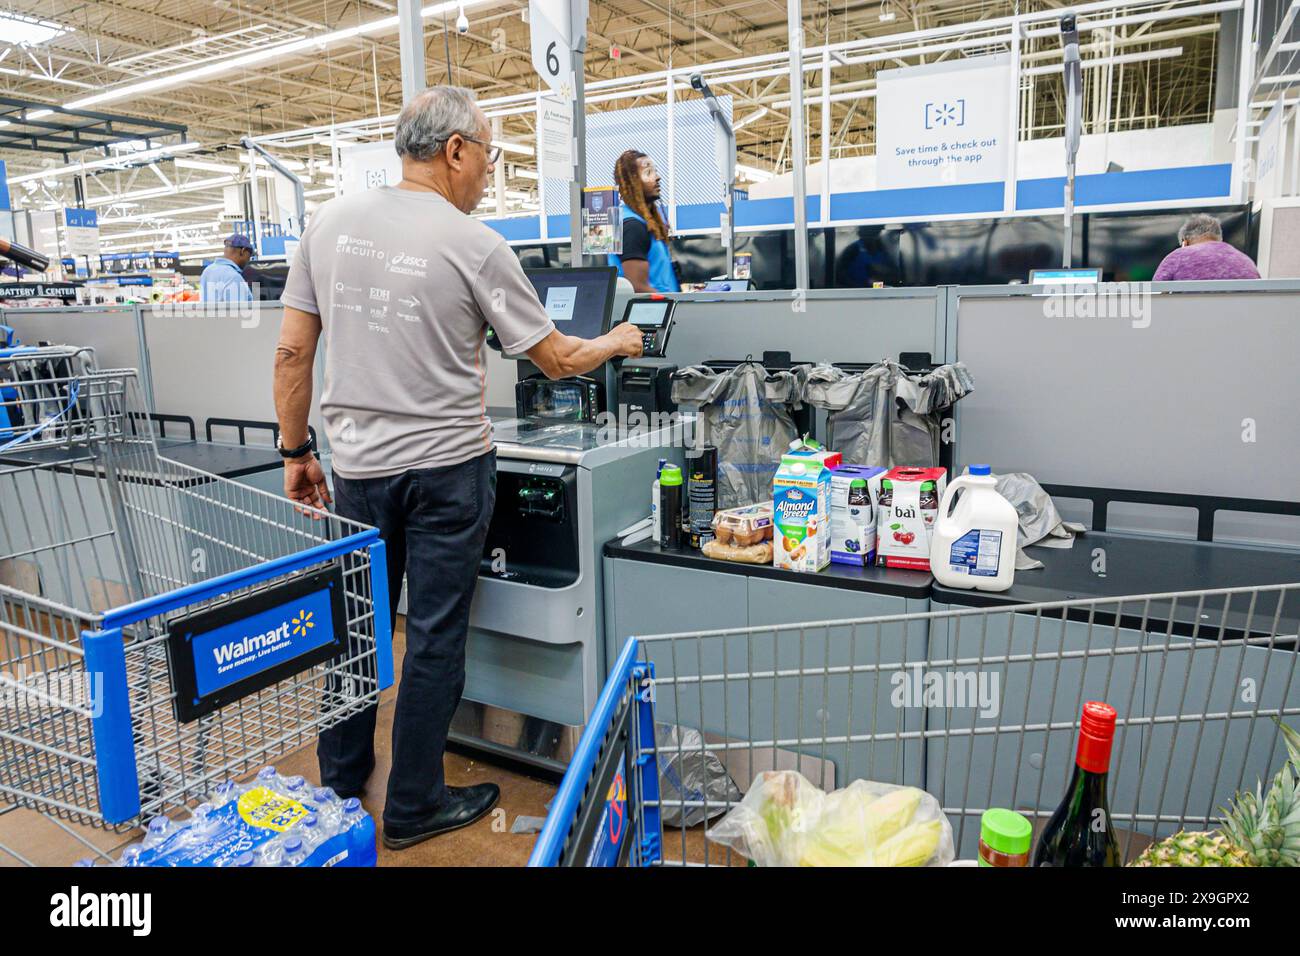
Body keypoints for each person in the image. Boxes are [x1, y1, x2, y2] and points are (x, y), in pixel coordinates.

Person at [273, 85, 643, 850]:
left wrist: (296, 451)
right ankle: (412, 805)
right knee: (436, 636)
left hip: (356, 473)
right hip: (447, 471)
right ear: (455, 151)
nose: (487, 174)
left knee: (356, 629)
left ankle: (339, 786)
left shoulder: (329, 223)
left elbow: (292, 351)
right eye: (489, 157)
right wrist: (621, 339)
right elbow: (557, 357)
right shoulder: (474, 243)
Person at [608, 149, 681, 292]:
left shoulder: (642, 222)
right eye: (648, 173)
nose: (658, 177)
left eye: (655, 171)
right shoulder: (632, 226)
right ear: (632, 182)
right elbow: (638, 288)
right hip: (652, 312)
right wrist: (677, 304)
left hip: (663, 310)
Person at [1152, 214, 1260, 281]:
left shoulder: (1177, 257)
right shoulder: (1246, 261)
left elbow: (1154, 295)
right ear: (1219, 238)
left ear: (1185, 242)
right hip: (1241, 317)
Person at [199, 234, 255, 302]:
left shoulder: (207, 271)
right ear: (242, 251)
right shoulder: (234, 277)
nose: (248, 260)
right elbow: (237, 311)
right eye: (249, 256)